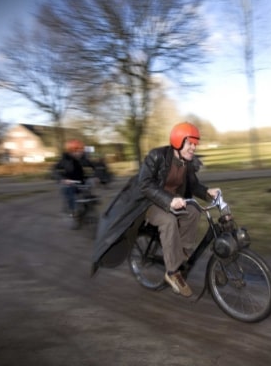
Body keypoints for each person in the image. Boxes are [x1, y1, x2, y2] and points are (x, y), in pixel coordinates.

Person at [91, 122, 220, 298]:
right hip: (148, 203)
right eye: (190, 143)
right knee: (168, 220)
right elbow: (145, 185)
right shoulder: (156, 156)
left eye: (195, 144)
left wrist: (207, 192)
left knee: (194, 211)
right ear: (178, 141)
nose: (194, 147)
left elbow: (193, 185)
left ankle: (181, 253)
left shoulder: (187, 163)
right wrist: (169, 200)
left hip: (172, 201)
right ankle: (172, 272)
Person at [52, 139, 95, 220]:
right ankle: (73, 211)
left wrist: (95, 176)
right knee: (69, 191)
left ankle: (89, 209)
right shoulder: (64, 160)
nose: (79, 152)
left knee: (89, 195)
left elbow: (94, 167)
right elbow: (54, 170)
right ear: (70, 151)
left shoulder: (84, 159)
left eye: (80, 150)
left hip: (82, 181)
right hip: (69, 182)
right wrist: (62, 179)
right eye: (76, 150)